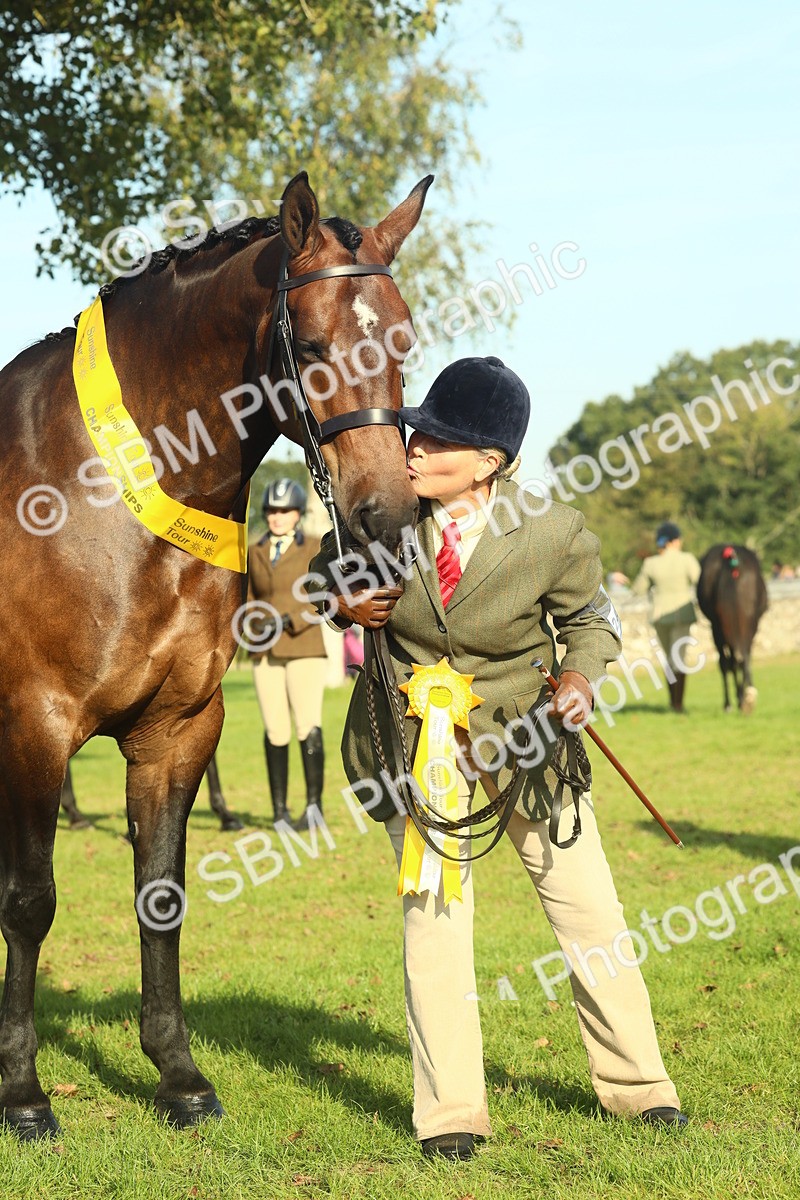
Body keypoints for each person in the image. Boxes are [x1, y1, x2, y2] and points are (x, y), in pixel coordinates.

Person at [310, 356, 686, 1161]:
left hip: (532, 748)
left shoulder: (552, 532)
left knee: (592, 917)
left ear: (490, 461)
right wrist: (340, 600)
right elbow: (319, 575)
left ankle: (640, 1087)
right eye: (415, 430)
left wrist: (582, 676)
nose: (411, 447)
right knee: (434, 927)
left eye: (435, 438)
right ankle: (451, 1112)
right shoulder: (380, 517)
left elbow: (592, 619)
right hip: (418, 751)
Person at [248, 478, 327, 831]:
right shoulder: (254, 549)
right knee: (274, 730)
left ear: (297, 513)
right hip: (265, 651)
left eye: (284, 510)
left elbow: (323, 600)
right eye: (272, 510)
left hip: (304, 647)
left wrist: (288, 619)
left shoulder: (314, 547)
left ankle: (314, 808)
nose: (277, 516)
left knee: (306, 726)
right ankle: (279, 810)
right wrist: (251, 625)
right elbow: (249, 598)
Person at [631, 523, 701, 713]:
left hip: (659, 616)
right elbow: (700, 582)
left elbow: (638, 589)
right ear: (675, 541)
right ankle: (678, 705)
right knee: (679, 658)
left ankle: (673, 702)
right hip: (682, 614)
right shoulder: (687, 559)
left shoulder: (650, 563)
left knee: (669, 659)